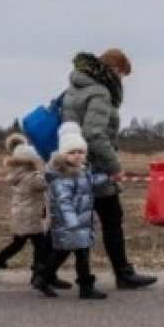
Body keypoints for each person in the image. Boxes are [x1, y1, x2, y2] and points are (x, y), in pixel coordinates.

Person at [61, 49, 157, 289]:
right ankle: (123, 274)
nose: (122, 80)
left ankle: (42, 270)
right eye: (123, 75)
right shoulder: (100, 92)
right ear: (114, 70)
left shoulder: (75, 87)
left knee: (70, 220)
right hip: (94, 167)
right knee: (111, 218)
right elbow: (94, 134)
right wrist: (114, 166)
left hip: (74, 163)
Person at [32, 123, 107, 299]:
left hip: (81, 223)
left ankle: (46, 278)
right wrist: (72, 222)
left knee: (72, 253)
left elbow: (90, 183)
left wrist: (105, 179)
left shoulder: (82, 171)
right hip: (70, 224)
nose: (77, 156)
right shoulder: (62, 176)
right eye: (72, 152)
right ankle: (82, 286)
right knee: (68, 253)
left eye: (80, 152)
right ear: (63, 154)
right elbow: (63, 202)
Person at [0, 133, 55, 284]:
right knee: (40, 245)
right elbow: (44, 183)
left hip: (22, 214)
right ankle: (36, 273)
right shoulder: (33, 176)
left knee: (19, 243)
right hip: (31, 216)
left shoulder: (18, 174)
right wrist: (43, 169)